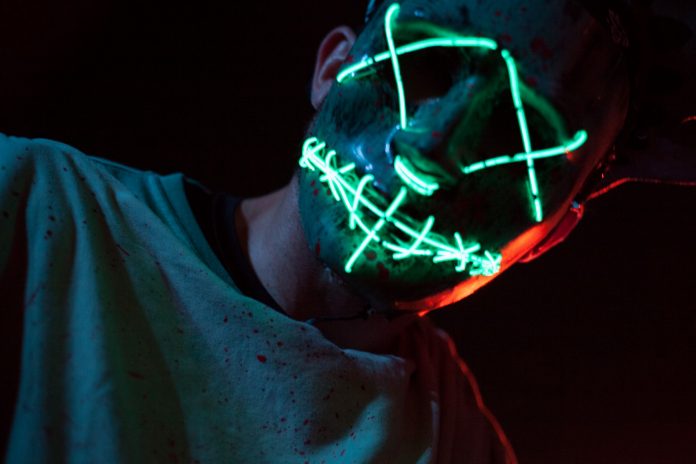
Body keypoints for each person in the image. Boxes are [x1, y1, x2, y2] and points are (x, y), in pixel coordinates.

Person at [0, 0, 693, 462]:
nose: (429, 150)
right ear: (331, 68)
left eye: (516, 138)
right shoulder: (34, 209)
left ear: (550, 235)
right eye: (424, 65)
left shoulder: (456, 446)